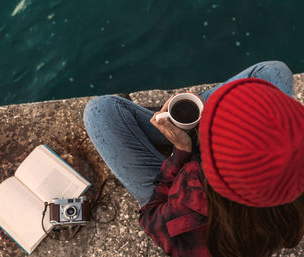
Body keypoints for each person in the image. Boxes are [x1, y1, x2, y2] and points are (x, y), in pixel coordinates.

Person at [83, 61, 304, 257]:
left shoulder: (190, 204)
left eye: (214, 126)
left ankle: (173, 130)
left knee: (99, 111)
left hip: (175, 181)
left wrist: (181, 150)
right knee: (275, 70)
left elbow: (151, 217)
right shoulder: (292, 189)